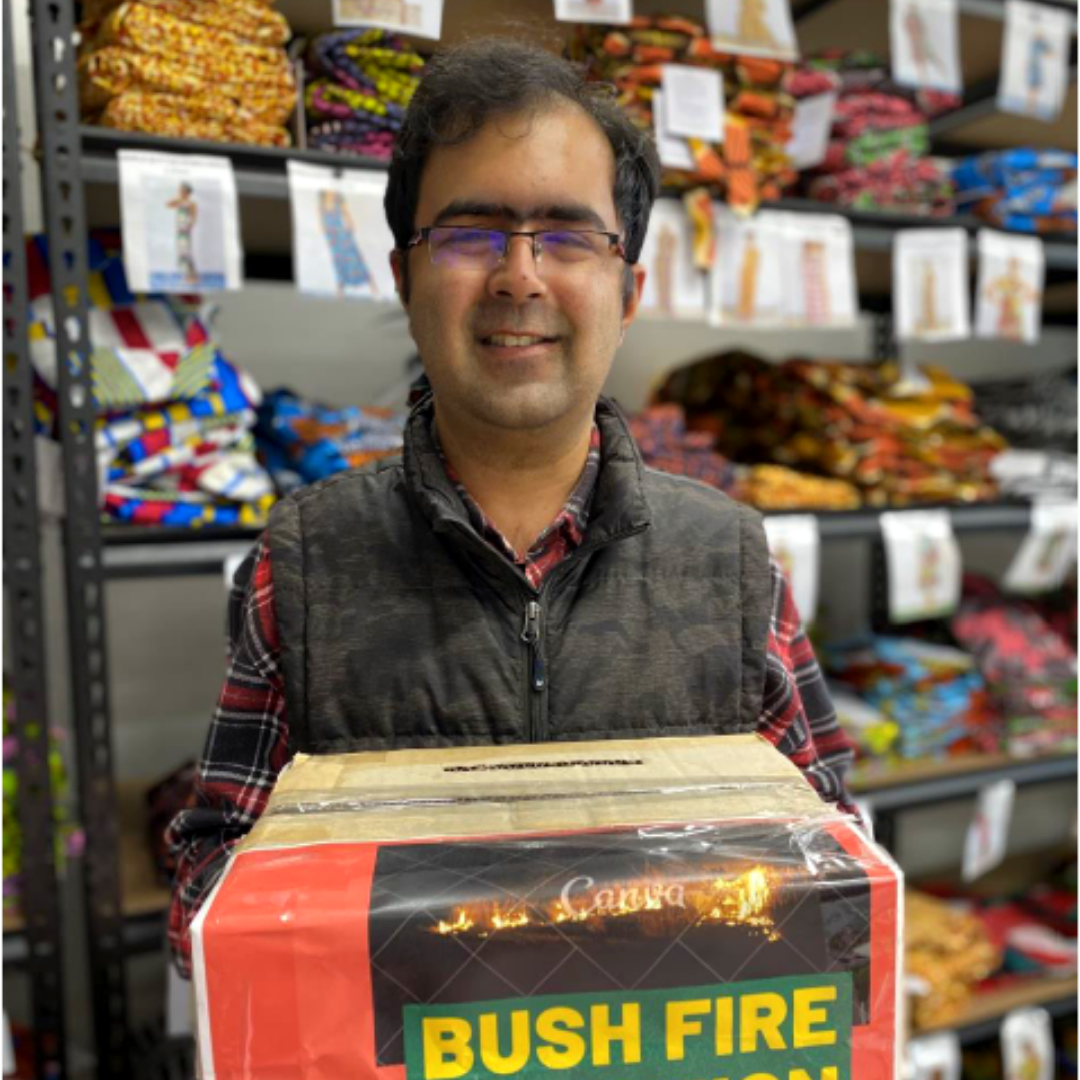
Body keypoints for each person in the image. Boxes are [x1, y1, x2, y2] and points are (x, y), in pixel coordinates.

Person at [166, 36, 855, 977]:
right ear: (406, 279)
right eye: (470, 233)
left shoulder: (730, 563)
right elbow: (208, 899)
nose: (519, 276)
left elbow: (835, 873)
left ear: (628, 289)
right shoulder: (305, 566)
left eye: (570, 237)